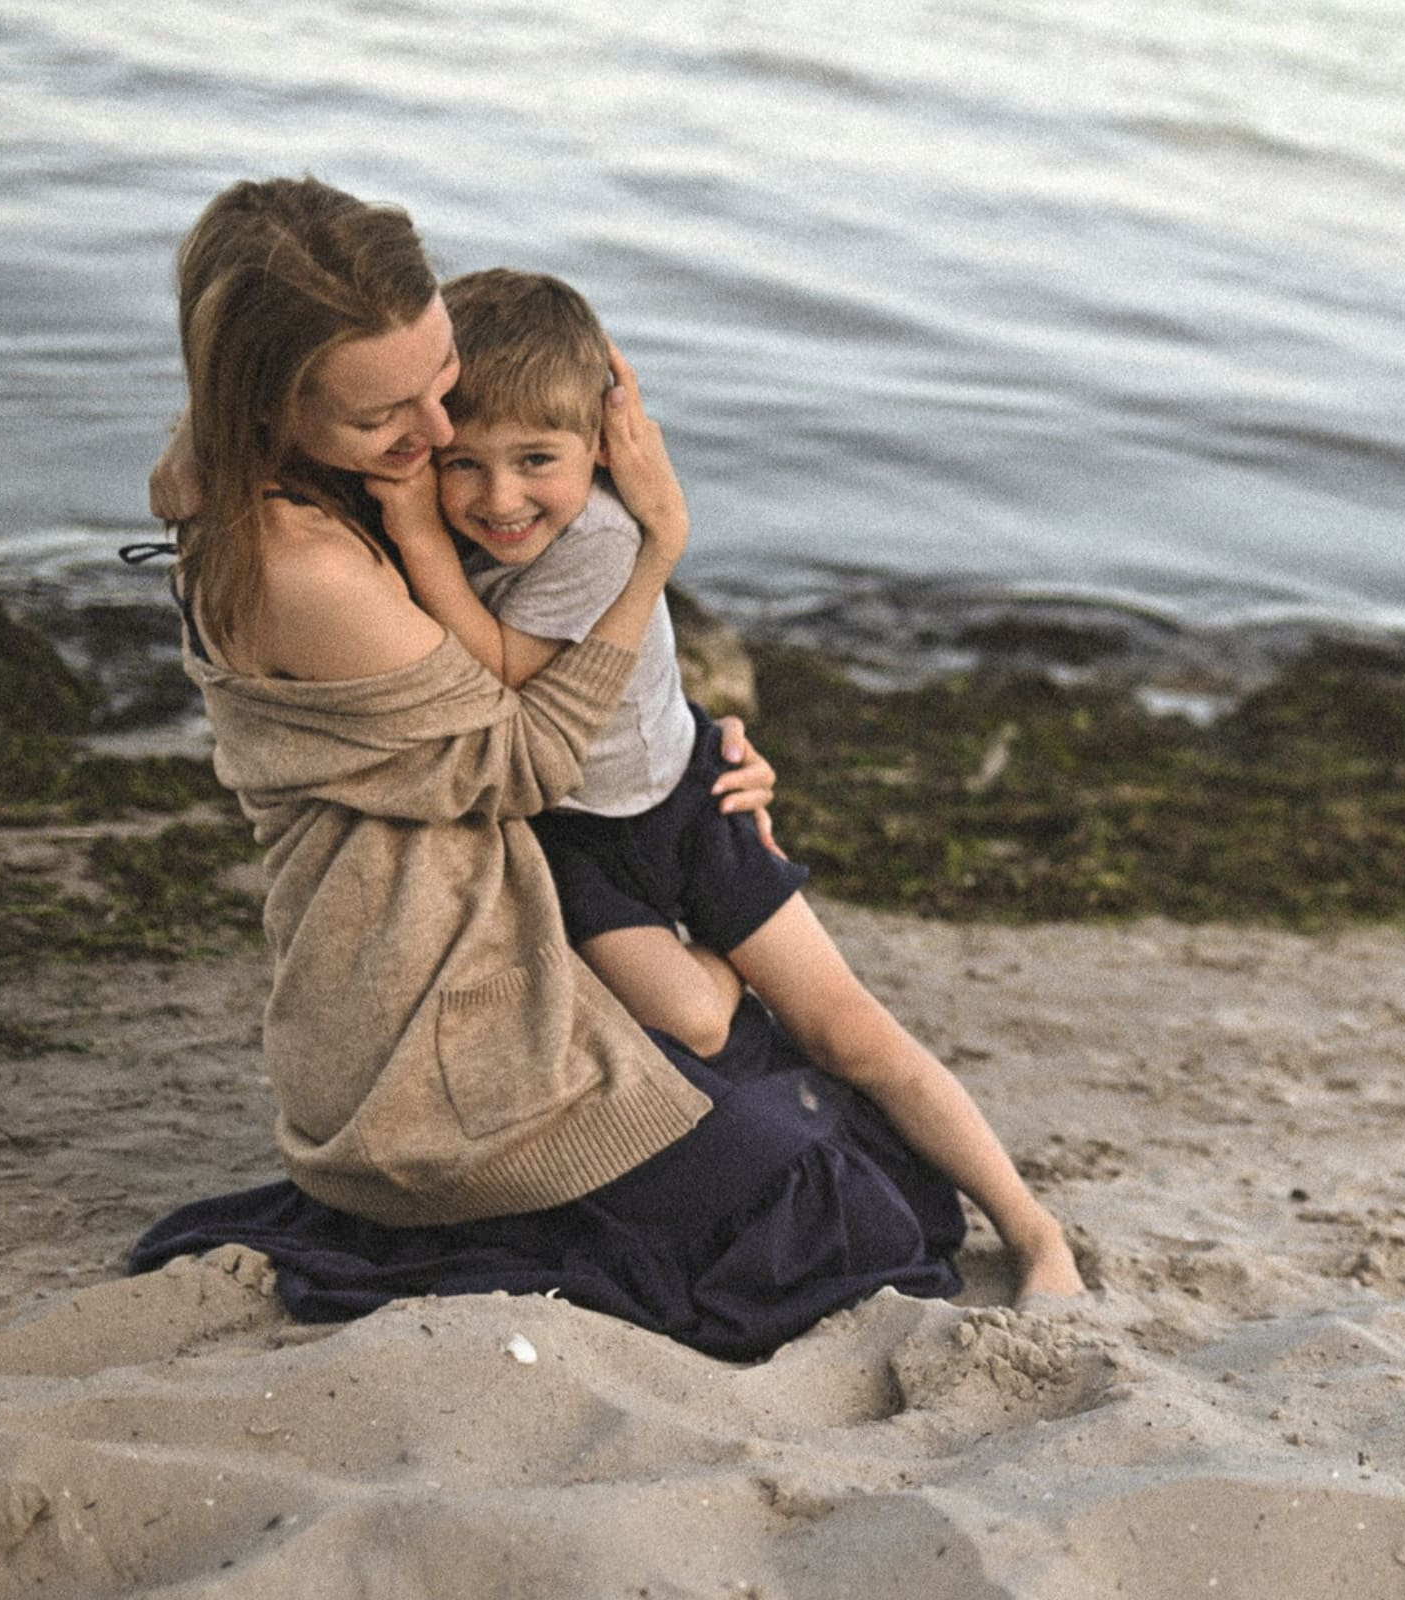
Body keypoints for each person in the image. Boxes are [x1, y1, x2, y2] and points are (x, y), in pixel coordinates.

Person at [124, 178, 1062, 1361]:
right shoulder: (300, 557)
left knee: (828, 1103)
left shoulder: (315, 463)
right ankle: (706, 993)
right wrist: (658, 551)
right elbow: (527, 756)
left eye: (439, 379)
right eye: (389, 419)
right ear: (268, 403)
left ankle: (1019, 1218)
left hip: (560, 867)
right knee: (808, 1205)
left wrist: (689, 734)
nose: (433, 435)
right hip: (435, 984)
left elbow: (201, 466)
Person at [371, 265, 1086, 1302]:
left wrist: (414, 529)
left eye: (537, 459)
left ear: (604, 447)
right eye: (463, 464)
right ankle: (731, 975)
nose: (499, 498)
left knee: (849, 1031)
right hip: (570, 835)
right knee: (698, 1019)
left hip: (682, 798)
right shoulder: (471, 521)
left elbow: (500, 671)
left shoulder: (607, 537)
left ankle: (1031, 1226)